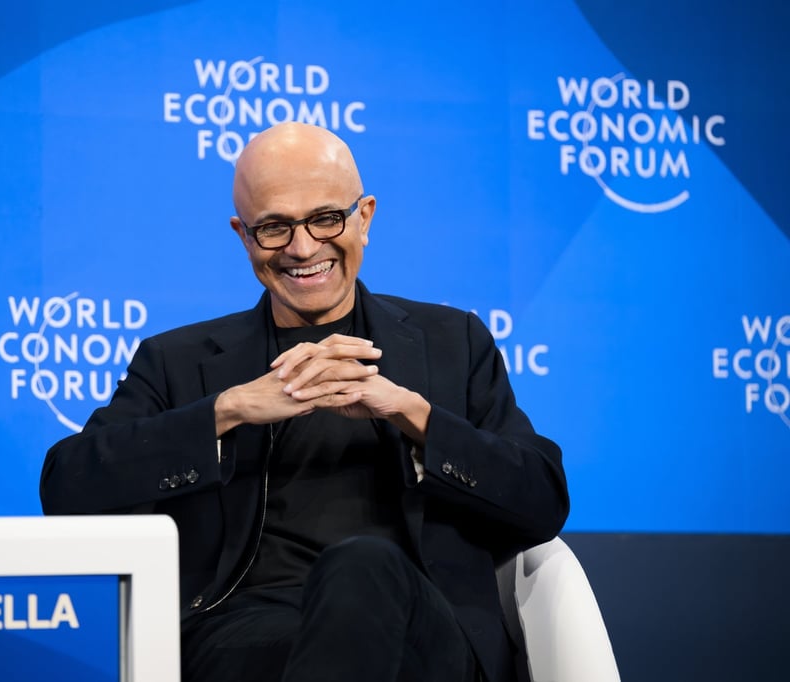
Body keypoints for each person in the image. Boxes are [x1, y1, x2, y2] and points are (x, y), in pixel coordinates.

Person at [40, 122, 569, 682]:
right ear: (244, 236)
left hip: (420, 630)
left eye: (326, 218)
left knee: (362, 566)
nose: (303, 247)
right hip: (246, 637)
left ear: (364, 218)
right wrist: (227, 410)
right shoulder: (179, 360)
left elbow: (541, 501)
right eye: (274, 227)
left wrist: (412, 414)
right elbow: (68, 486)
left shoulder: (452, 342)